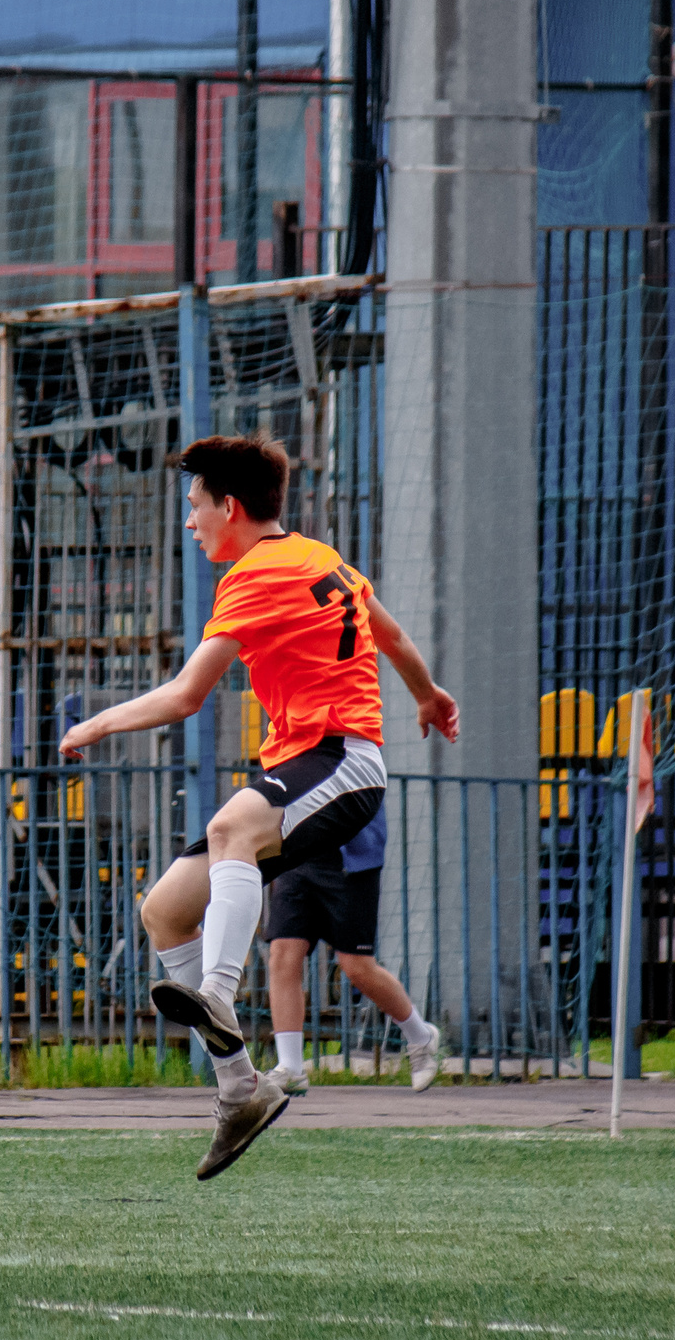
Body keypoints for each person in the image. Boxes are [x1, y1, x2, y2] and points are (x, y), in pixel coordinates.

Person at [59, 436, 458, 1180]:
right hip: (323, 765)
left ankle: (216, 991)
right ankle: (241, 1087)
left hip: (340, 762)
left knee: (229, 825)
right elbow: (392, 635)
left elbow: (186, 694)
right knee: (166, 909)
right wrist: (428, 695)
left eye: (194, 506)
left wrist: (97, 721)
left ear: (229, 507)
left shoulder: (253, 576)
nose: (190, 522)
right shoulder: (321, 557)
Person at [260, 807, 443, 1095]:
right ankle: (291, 1068)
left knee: (357, 966)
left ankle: (420, 1037)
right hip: (296, 857)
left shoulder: (356, 759)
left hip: (350, 859)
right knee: (282, 955)